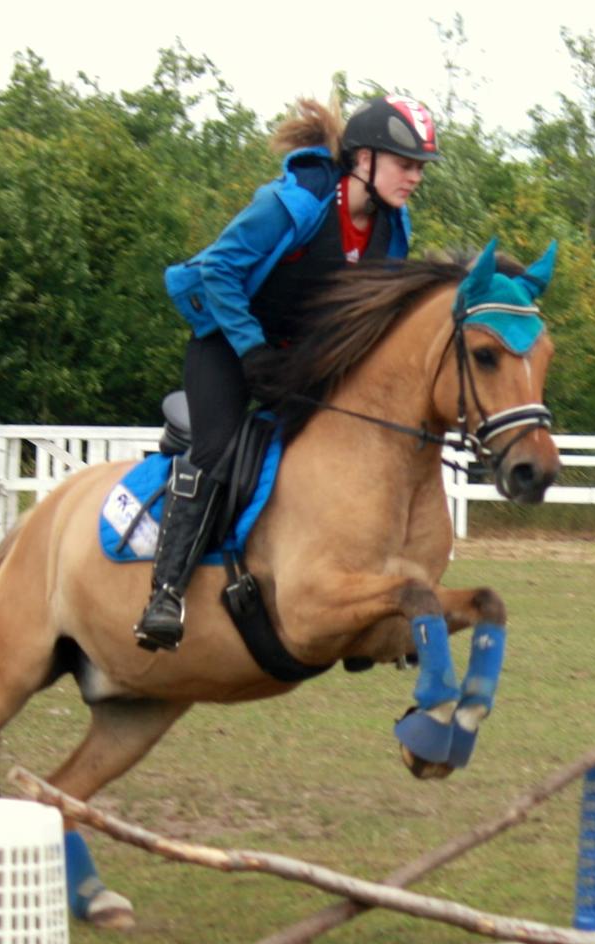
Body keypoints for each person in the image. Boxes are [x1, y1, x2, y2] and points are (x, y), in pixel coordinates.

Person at [134, 94, 443, 652]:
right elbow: (220, 272)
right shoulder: (294, 203)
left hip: (299, 363)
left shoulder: (393, 230)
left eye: (420, 167)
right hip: (227, 347)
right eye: (406, 164)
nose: (415, 177)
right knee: (217, 450)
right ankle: (166, 593)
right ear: (364, 160)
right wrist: (251, 351)